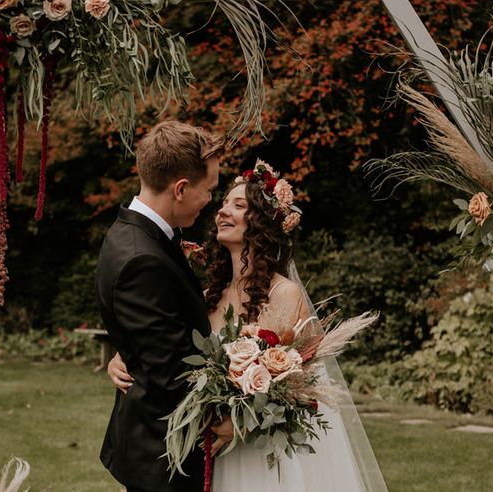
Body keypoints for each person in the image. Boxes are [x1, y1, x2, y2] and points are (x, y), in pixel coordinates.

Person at [109, 160, 388, 492]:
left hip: (257, 454)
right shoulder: (207, 295)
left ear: (262, 222)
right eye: (223, 203)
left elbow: (299, 386)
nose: (222, 211)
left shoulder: (284, 294)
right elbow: (164, 341)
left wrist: (240, 423)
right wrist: (122, 356)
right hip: (209, 447)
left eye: (238, 205)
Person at [95, 120, 231, 492]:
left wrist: (129, 352)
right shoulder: (143, 258)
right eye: (210, 190)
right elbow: (170, 374)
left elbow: (152, 340)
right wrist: (235, 414)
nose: (211, 201)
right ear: (181, 189)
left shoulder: (134, 234)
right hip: (166, 456)